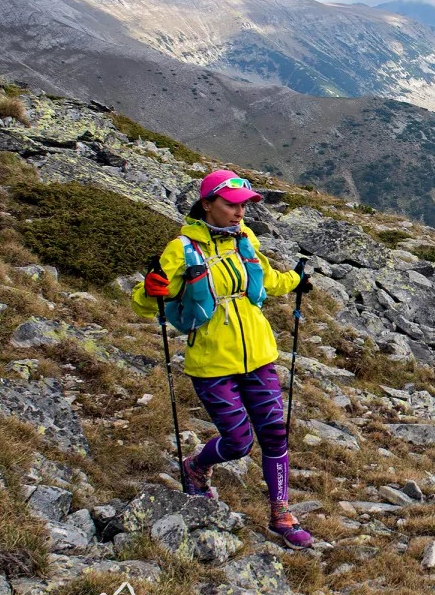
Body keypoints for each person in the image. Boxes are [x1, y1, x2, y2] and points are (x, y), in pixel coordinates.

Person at [132, 168, 314, 548]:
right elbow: (148, 304)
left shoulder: (244, 239)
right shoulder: (181, 249)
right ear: (207, 203)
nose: (240, 212)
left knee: (275, 433)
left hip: (259, 355)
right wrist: (149, 291)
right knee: (238, 442)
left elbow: (267, 279)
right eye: (231, 205)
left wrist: (295, 280)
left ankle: (281, 512)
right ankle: (196, 467)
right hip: (211, 362)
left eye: (244, 206)